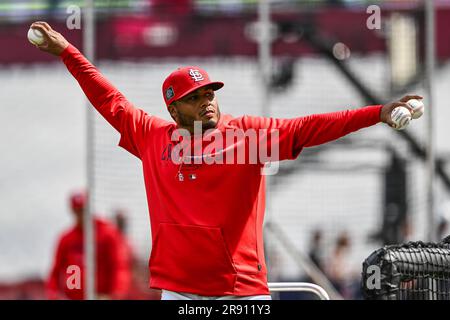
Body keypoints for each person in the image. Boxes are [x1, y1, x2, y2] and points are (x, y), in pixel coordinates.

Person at [31, 21, 422, 300]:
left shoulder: (248, 135)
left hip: (241, 295)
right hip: (180, 293)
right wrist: (67, 51)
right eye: (195, 98)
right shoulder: (151, 137)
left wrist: (377, 113)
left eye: (210, 94)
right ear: (174, 108)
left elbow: (310, 126)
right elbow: (109, 100)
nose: (208, 102)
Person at [46, 191, 132, 300]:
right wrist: (53, 295)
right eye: (77, 211)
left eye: (83, 210)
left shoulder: (107, 234)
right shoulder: (66, 239)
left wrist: (116, 295)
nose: (80, 214)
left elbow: (119, 266)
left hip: (101, 296)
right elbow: (55, 271)